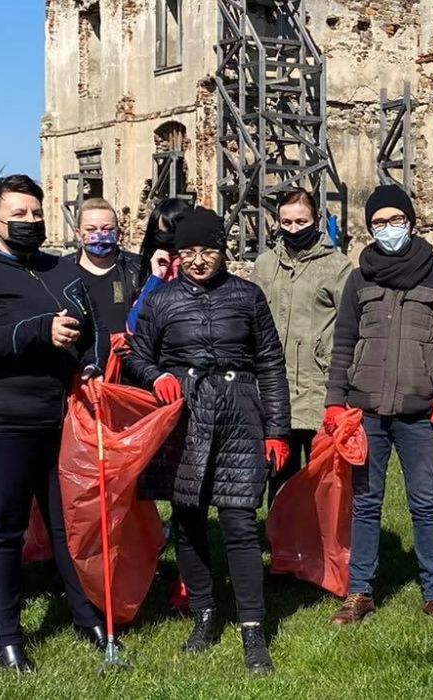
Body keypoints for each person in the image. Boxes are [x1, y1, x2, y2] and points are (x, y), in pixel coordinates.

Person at [0, 174, 109, 672]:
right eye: (19, 215)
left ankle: (87, 617)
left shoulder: (60, 271)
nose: (30, 222)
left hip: (58, 418)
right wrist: (38, 330)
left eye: (36, 213)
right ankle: (5, 635)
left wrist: (91, 362)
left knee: (68, 528)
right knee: (1, 532)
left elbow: (91, 328)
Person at [125, 207, 291, 675]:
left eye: (209, 251)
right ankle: (203, 613)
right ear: (178, 254)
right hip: (185, 418)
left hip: (239, 414)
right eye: (190, 252)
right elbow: (138, 355)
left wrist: (277, 430)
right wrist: (157, 375)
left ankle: (253, 628)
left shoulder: (248, 296)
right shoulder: (161, 300)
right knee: (189, 522)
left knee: (239, 523)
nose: (199, 261)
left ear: (224, 252)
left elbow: (271, 366)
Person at [324, 184, 433, 624]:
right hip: (366, 409)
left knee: (424, 502)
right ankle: (360, 591)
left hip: (419, 411)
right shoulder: (360, 277)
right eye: (378, 223)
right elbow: (344, 343)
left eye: (395, 220)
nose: (388, 229)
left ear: (409, 222)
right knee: (366, 503)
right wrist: (335, 401)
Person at [250, 189, 352, 497]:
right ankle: (281, 541)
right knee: (279, 475)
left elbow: (350, 329)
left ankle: (322, 543)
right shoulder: (265, 265)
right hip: (274, 389)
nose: (294, 229)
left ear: (316, 220)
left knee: (324, 480)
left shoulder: (338, 267)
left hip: (319, 386)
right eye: (287, 222)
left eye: (301, 222)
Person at [66, 198, 147, 340]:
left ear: (119, 233)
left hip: (129, 357)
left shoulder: (140, 268)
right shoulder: (62, 270)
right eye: (91, 229)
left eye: (107, 229)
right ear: (78, 234)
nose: (99, 235)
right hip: (79, 358)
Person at [128, 198, 191, 333]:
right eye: (158, 233)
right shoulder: (151, 270)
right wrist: (157, 277)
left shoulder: (197, 272)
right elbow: (135, 326)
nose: (164, 239)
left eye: (170, 232)